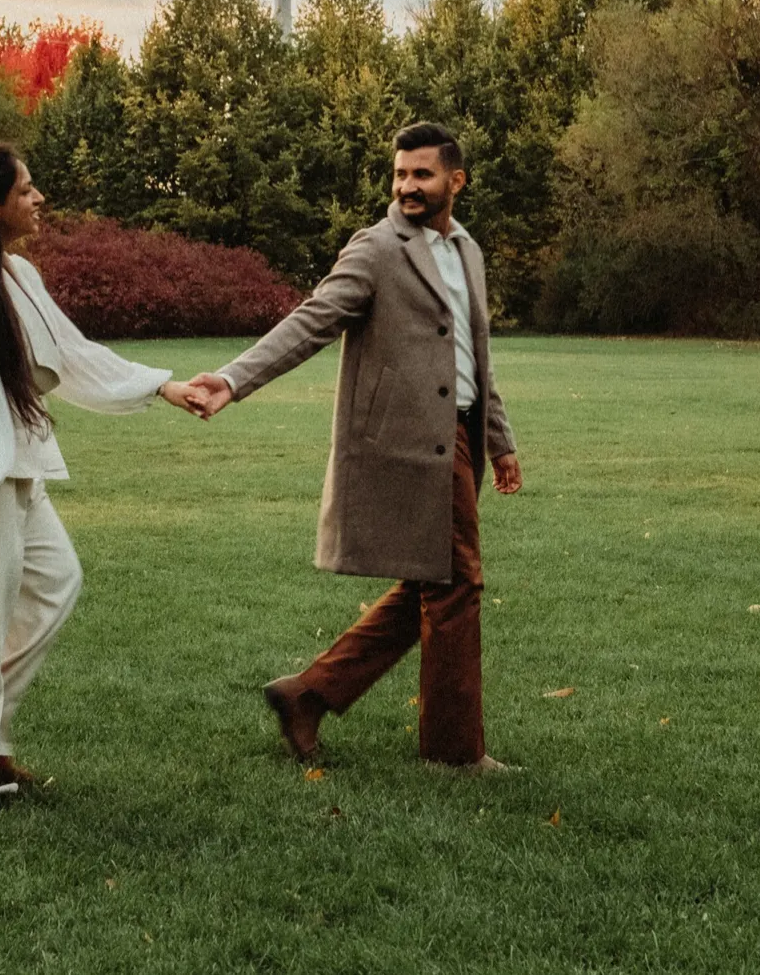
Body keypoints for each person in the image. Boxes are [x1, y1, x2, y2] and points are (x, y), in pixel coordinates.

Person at [185, 121, 522, 771]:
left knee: (436, 579)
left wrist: (500, 440)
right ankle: (454, 754)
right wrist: (232, 379)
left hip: (458, 435)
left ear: (457, 180)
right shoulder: (377, 248)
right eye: (400, 175)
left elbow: (475, 357)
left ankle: (307, 693)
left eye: (421, 175)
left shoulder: (468, 251)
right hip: (403, 444)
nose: (407, 187)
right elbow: (311, 321)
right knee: (456, 586)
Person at [0, 143, 207, 808]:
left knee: (55, 585)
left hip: (11, 462)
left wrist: (164, 388)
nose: (39, 199)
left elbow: (73, 352)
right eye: (26, 190)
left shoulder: (16, 274)